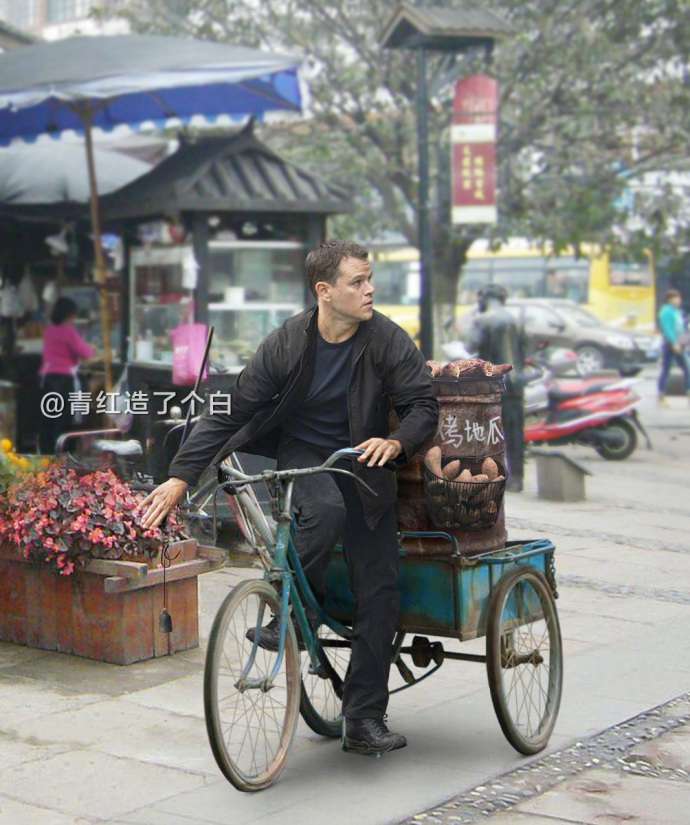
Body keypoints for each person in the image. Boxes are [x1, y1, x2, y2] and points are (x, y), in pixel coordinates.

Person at [141, 240, 438, 756]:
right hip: (305, 454)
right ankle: (293, 614)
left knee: (380, 591)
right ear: (325, 291)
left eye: (369, 280)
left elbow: (422, 406)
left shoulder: (387, 338)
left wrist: (396, 442)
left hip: (365, 463)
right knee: (321, 510)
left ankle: (364, 718)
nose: (369, 290)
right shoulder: (287, 342)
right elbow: (233, 411)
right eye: (357, 282)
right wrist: (180, 477)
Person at [469, 284, 526, 492]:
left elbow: (470, 347)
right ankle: (517, 478)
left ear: (484, 298)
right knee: (514, 432)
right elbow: (523, 352)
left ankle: (491, 473)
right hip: (516, 383)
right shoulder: (516, 320)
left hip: (492, 385)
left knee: (488, 432)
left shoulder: (482, 320)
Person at [39, 296, 96, 453]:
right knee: (67, 421)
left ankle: (47, 453)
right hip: (65, 382)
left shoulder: (49, 331)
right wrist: (92, 349)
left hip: (48, 380)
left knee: (50, 418)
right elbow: (86, 353)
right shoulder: (68, 331)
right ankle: (64, 454)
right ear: (70, 314)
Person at [657, 289, 689, 405]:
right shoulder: (666, 312)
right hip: (670, 344)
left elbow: (682, 328)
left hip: (680, 343)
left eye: (679, 298)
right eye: (676, 298)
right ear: (670, 299)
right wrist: (674, 343)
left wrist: (685, 341)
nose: (679, 300)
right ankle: (661, 395)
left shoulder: (677, 312)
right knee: (666, 369)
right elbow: (668, 329)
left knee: (687, 368)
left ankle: (688, 391)